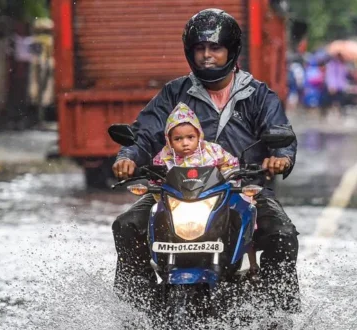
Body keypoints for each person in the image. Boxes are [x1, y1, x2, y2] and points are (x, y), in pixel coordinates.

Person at [111, 8, 300, 312]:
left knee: (282, 234)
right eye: (200, 48)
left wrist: (280, 157)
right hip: (175, 190)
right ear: (190, 52)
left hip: (242, 189)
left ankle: (279, 310)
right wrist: (128, 157)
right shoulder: (175, 93)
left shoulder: (259, 95)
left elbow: (282, 135)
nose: (207, 55)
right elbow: (144, 133)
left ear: (231, 51)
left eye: (215, 47)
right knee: (127, 225)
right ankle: (136, 308)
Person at [152, 102, 238, 174]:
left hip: (211, 193)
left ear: (199, 136)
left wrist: (225, 180)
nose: (185, 143)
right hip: (176, 194)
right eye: (178, 139)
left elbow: (231, 164)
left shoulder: (212, 150)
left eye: (190, 137)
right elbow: (156, 178)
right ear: (169, 140)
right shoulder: (164, 157)